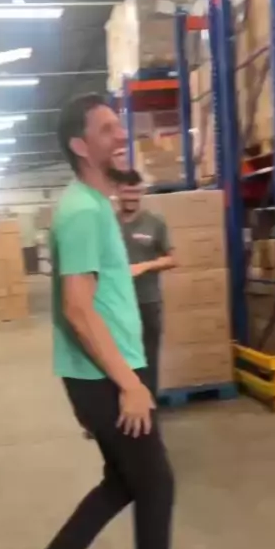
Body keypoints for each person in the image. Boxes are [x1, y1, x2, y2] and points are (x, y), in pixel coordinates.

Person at [9, 93, 221, 549]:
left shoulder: (95, 205)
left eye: (117, 125)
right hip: (104, 376)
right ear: (81, 146)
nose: (120, 134)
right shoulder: (81, 211)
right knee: (156, 483)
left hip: (109, 369)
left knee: (126, 481)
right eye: (106, 129)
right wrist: (128, 383)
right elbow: (78, 309)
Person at [117, 170, 176, 399]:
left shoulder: (154, 222)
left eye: (135, 192)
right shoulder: (109, 224)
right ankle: (124, 404)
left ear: (141, 192)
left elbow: (172, 259)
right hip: (117, 304)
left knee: (148, 358)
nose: (131, 197)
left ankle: (149, 405)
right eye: (126, 192)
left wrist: (145, 266)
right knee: (120, 358)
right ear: (118, 192)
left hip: (147, 302)